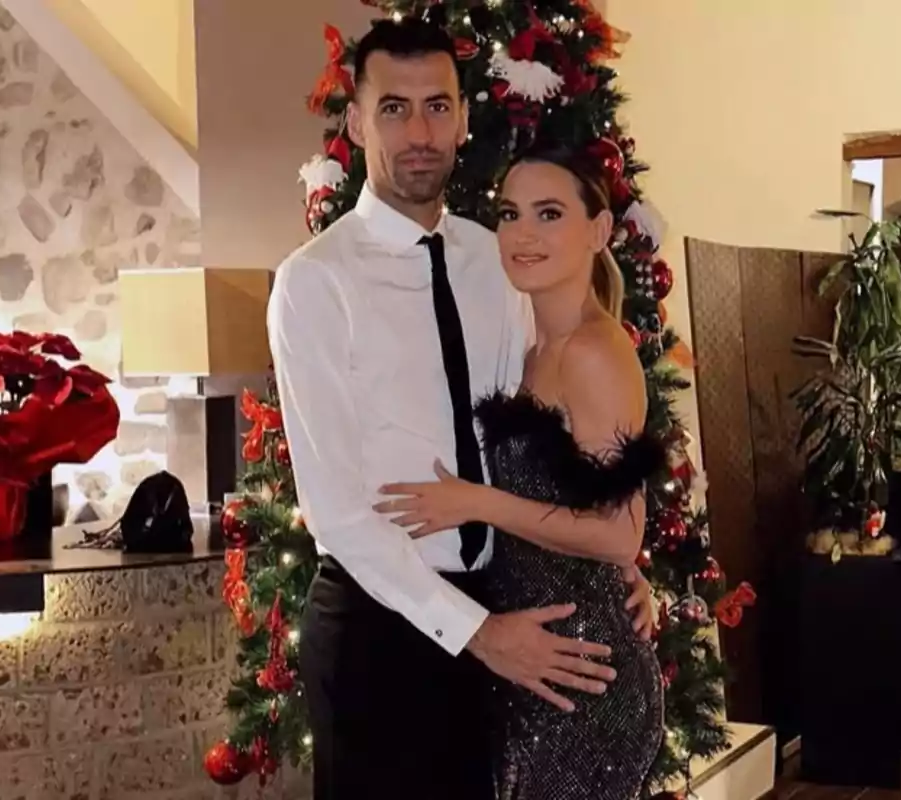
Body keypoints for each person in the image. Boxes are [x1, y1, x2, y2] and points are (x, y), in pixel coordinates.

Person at [267, 17, 654, 800]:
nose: (419, 132)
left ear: (464, 117)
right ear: (356, 122)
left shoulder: (497, 258)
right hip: (384, 628)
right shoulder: (315, 282)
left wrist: (616, 559)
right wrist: (476, 634)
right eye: (394, 108)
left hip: (506, 610)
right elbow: (336, 512)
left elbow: (555, 433)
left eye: (437, 106)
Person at [375, 141, 665, 799]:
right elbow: (598, 513)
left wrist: (477, 502)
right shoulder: (536, 347)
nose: (523, 233)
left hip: (587, 682)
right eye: (510, 214)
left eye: (549, 213)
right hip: (543, 669)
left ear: (599, 230)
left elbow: (620, 534)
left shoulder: (593, 352)